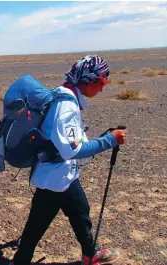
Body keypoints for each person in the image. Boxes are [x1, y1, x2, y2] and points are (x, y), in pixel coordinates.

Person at [10, 55, 126, 265]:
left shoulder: (64, 96)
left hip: (63, 175)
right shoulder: (67, 104)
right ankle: (20, 261)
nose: (101, 89)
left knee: (80, 210)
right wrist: (110, 140)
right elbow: (72, 149)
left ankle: (90, 253)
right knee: (37, 225)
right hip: (54, 178)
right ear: (89, 80)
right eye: (102, 83)